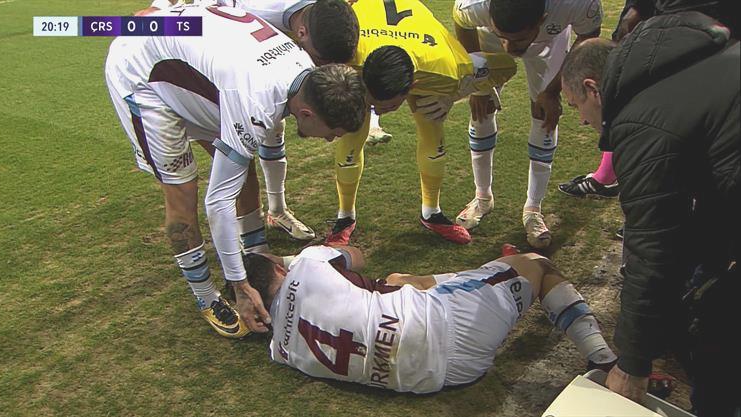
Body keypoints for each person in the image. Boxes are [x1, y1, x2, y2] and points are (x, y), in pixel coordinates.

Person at [105, 4, 367, 337]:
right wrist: (241, 286)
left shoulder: (304, 74)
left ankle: (256, 254)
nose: (330, 140)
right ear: (306, 114)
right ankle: (206, 296)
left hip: (191, 63)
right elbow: (218, 204)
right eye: (332, 132)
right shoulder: (257, 101)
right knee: (183, 191)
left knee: (240, 165)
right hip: (141, 74)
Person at [561, 28, 739, 415]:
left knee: (718, 352)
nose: (582, 121)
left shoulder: (640, 123)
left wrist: (632, 362)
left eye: (575, 106)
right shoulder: (684, 64)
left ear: (593, 89)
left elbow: (653, 245)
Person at [243, 245, 617, 393]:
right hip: (451, 326)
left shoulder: (280, 352)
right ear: (279, 268)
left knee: (398, 281)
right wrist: (290, 258)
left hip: (441, 379)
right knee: (536, 264)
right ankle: (603, 359)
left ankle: (477, 277)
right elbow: (356, 255)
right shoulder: (307, 263)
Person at [135, 0, 360, 242]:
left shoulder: (318, 23)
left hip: (253, 70)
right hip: (200, 70)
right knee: (231, 161)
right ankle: (249, 239)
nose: (321, 68)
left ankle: (276, 212)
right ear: (302, 33)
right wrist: (158, 9)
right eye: (319, 59)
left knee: (269, 131)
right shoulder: (262, 7)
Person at [326, 0, 516, 245]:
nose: (380, 111)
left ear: (412, 86)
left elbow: (507, 66)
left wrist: (455, 94)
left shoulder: (446, 68)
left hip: (425, 59)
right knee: (352, 132)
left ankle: (431, 212)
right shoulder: (348, 55)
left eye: (389, 106)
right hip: (370, 48)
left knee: (432, 126)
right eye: (375, 103)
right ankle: (345, 217)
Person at [452, 0, 602, 248]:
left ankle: (533, 208)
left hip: (549, 42)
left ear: (543, 19)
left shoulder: (575, 4)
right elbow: (461, 21)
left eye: (518, 40)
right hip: (488, 36)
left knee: (544, 115)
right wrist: (479, 81)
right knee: (482, 109)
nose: (509, 48)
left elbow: (588, 37)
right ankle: (482, 196)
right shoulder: (474, 5)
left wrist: (552, 91)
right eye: (504, 38)